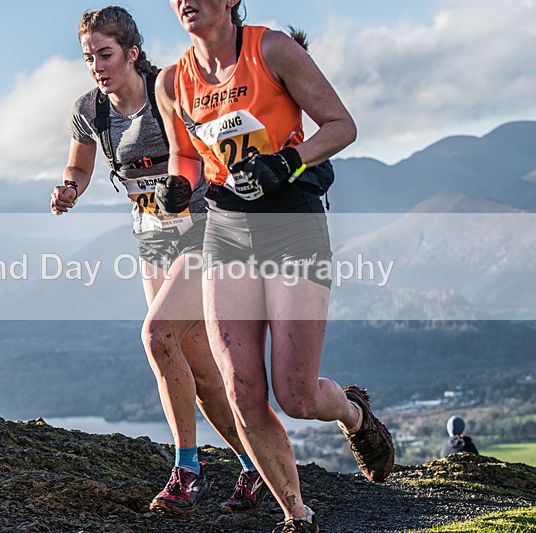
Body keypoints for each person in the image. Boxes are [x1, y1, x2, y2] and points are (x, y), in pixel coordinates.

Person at [155, 1, 396, 531]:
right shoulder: (172, 81)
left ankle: (353, 412)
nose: (184, 1)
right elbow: (187, 156)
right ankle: (297, 515)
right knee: (242, 389)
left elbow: (342, 125)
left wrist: (286, 162)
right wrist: (179, 185)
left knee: (297, 394)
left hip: (291, 224)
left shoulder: (272, 49)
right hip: (227, 231)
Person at [49, 6, 269, 514]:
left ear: (132, 52)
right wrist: (69, 189)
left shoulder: (167, 91)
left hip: (203, 232)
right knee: (200, 369)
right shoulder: (90, 109)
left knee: (156, 335)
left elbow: (212, 150)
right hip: (151, 240)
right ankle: (255, 467)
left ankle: (187, 469)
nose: (97, 66)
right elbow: (79, 165)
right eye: (88, 58)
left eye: (105, 55)